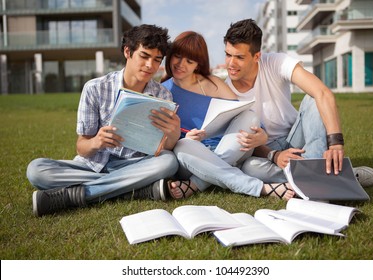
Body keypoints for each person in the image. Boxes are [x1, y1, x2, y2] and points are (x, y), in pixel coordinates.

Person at [26, 24, 181, 217]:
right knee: (36, 170)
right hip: (93, 166)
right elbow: (82, 147)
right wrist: (96, 142)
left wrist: (174, 133)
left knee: (168, 162)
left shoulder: (163, 95)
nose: (150, 65)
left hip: (135, 165)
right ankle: (134, 190)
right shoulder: (95, 88)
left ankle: (78, 195)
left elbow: (162, 148)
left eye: (157, 60)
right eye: (144, 56)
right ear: (127, 51)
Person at [223, 19, 373, 188]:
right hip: (265, 151)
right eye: (228, 54)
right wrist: (275, 155)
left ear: (256, 56)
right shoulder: (224, 91)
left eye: (239, 57)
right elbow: (244, 142)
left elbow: (323, 93)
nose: (231, 63)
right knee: (250, 168)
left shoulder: (276, 62)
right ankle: (330, 175)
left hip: (296, 137)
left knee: (313, 97)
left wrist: (336, 143)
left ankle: (315, 175)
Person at [161, 31, 294, 200]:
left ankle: (195, 184)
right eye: (177, 57)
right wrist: (184, 137)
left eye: (189, 61)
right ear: (170, 56)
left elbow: (242, 114)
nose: (181, 64)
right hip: (193, 158)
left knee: (249, 116)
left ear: (198, 63)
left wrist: (261, 135)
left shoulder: (212, 83)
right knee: (183, 146)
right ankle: (261, 188)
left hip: (231, 149)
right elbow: (162, 141)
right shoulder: (163, 91)